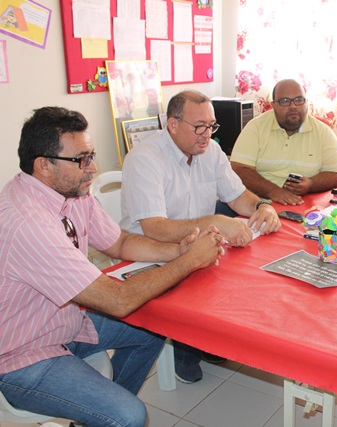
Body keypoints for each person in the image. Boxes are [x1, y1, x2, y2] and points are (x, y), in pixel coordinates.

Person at [0, 107, 224, 427]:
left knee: (153, 327)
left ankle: (99, 416)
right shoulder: (29, 223)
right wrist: (189, 262)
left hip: (64, 322)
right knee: (129, 415)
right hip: (22, 356)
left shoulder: (70, 192)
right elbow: (118, 301)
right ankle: (110, 416)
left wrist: (178, 251)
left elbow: (119, 243)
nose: (93, 168)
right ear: (44, 165)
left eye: (90, 155)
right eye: (81, 159)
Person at [120, 90, 282, 384]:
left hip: (198, 244)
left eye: (211, 125)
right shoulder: (145, 158)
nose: (207, 134)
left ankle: (209, 338)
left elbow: (237, 196)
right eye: (199, 127)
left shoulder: (211, 151)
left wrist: (262, 206)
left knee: (248, 272)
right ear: (172, 125)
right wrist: (215, 221)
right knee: (208, 272)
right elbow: (154, 228)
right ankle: (186, 349)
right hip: (150, 251)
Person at [230, 79, 337, 205]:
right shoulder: (256, 127)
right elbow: (239, 169)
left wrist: (311, 184)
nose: (293, 106)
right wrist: (273, 191)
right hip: (256, 203)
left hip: (302, 205)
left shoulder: (323, 132)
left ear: (306, 102)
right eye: (285, 101)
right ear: (273, 105)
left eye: (299, 100)